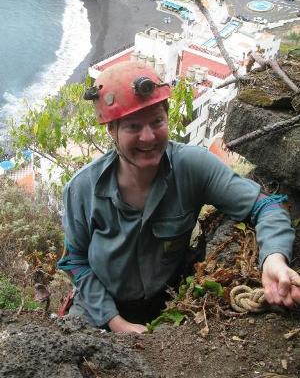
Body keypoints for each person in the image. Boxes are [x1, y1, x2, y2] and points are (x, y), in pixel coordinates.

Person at [58, 61, 300, 333]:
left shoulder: (193, 166)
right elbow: (75, 260)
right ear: (111, 131)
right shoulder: (83, 189)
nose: (148, 137)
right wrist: (117, 323)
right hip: (98, 306)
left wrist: (273, 259)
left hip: (165, 302)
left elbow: (266, 205)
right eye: (133, 127)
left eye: (157, 121)